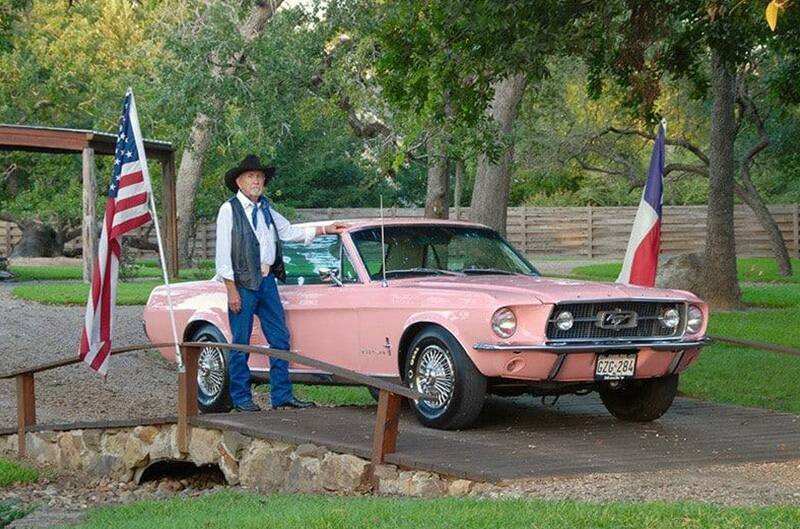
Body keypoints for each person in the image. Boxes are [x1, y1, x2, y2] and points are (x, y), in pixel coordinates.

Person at [215, 154, 346, 412]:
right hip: (242, 282)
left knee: (280, 337)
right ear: (239, 182)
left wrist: (324, 229)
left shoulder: (266, 209)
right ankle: (241, 399)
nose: (257, 181)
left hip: (267, 281)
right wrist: (231, 290)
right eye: (251, 176)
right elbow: (223, 252)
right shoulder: (229, 209)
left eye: (260, 177)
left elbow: (289, 232)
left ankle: (282, 395)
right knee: (241, 342)